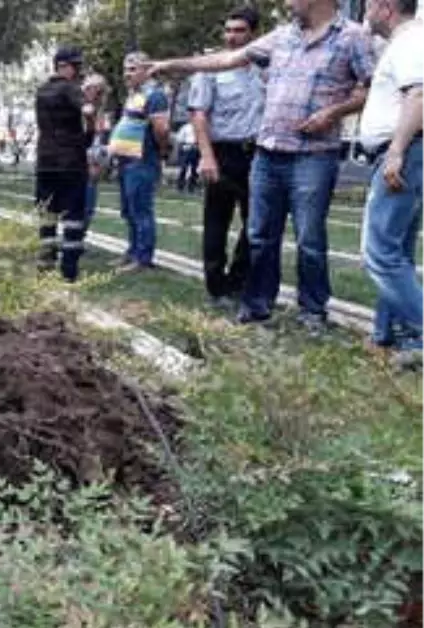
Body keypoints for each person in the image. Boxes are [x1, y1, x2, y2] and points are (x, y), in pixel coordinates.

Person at [147, 0, 376, 331]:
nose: (286, 3)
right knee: (259, 235)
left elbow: (372, 87)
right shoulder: (281, 37)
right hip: (267, 154)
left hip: (313, 155)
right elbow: (225, 59)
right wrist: (173, 63)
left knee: (309, 238)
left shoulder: (352, 37)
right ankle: (257, 306)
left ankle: (312, 311)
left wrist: (333, 113)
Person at [356, 0, 424, 368]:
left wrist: (396, 151)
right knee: (398, 253)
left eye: (367, 5)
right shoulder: (405, 41)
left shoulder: (412, 41)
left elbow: (420, 95)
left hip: (404, 151)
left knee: (378, 253)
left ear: (385, 7)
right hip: (409, 151)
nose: (364, 13)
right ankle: (390, 335)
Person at [185, 6, 266, 307]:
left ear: (254, 34)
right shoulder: (211, 67)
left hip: (259, 155)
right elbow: (198, 114)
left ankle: (239, 281)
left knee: (256, 223)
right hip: (222, 153)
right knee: (217, 222)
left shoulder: (266, 68)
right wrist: (207, 156)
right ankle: (216, 288)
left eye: (239, 31)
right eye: (228, 30)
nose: (232, 37)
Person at [34, 45, 98, 281]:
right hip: (70, 163)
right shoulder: (70, 89)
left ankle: (46, 262)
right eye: (76, 66)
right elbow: (87, 109)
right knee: (73, 217)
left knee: (47, 215)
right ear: (63, 66)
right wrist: (90, 105)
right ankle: (69, 269)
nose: (79, 71)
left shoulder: (41, 91)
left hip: (45, 161)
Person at [108, 51, 171, 272]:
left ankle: (143, 258)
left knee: (141, 210)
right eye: (125, 69)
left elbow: (162, 129)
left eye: (133, 69)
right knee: (129, 210)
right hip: (126, 162)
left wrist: (161, 153)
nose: (127, 74)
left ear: (147, 69)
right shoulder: (134, 95)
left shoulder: (155, 95)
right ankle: (132, 252)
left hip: (142, 161)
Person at [83, 75, 112, 225]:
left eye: (101, 91)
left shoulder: (102, 114)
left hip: (93, 166)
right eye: (93, 89)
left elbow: (102, 143)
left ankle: (78, 239)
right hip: (77, 165)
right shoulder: (79, 108)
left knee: (88, 209)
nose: (97, 94)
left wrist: (99, 165)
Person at [175, 123, 200, 192]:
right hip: (187, 148)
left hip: (197, 148)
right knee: (183, 167)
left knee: (195, 169)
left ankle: (192, 187)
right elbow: (179, 139)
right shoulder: (186, 127)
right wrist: (180, 150)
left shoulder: (201, 127)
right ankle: (180, 186)